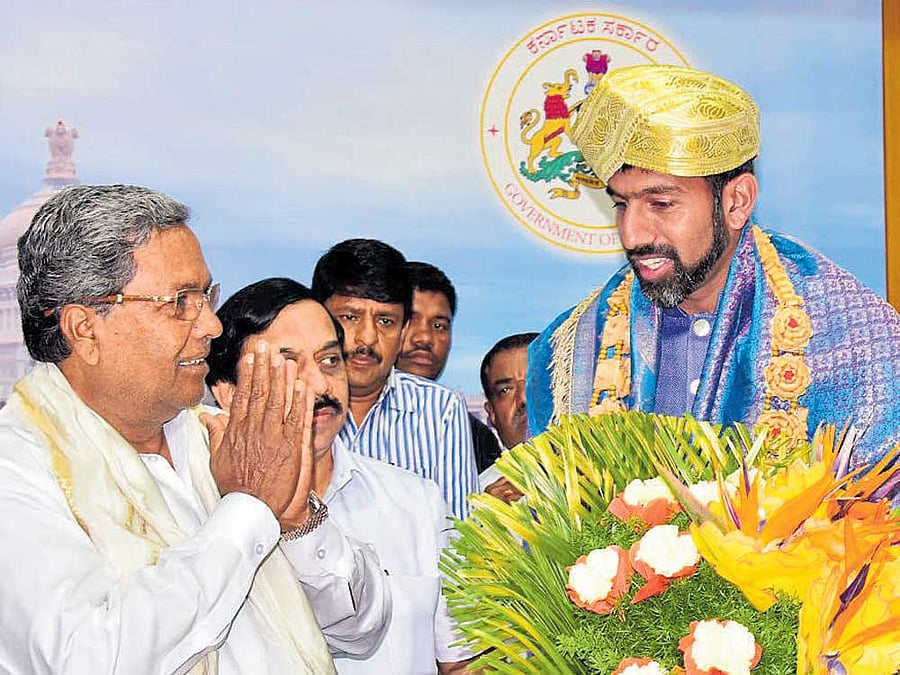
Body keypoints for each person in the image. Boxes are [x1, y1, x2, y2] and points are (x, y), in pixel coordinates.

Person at [0, 185, 333, 673]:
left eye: (206, 296)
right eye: (180, 302)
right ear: (85, 329)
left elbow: (360, 628)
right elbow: (90, 659)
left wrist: (297, 520)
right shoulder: (18, 466)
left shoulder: (216, 435)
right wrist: (247, 510)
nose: (212, 327)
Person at [527, 64, 900, 482]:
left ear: (737, 201)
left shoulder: (855, 339)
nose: (632, 234)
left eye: (661, 204)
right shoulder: (572, 350)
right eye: (620, 204)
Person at [206, 278, 475, 674]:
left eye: (330, 361)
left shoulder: (417, 503)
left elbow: (461, 661)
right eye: (288, 364)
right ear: (228, 393)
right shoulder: (197, 510)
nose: (319, 385)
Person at [312, 239, 479, 520]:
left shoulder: (439, 410)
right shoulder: (287, 401)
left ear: (402, 332)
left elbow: (457, 543)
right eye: (350, 317)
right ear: (318, 319)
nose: (367, 338)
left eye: (385, 321)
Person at [397, 261, 503, 474]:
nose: (424, 338)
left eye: (439, 326)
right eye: (410, 320)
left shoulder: (474, 436)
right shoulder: (337, 418)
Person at [478, 333, 538, 503]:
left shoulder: (611, 474)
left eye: (535, 382)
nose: (523, 399)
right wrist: (489, 523)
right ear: (492, 413)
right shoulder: (477, 501)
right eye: (505, 390)